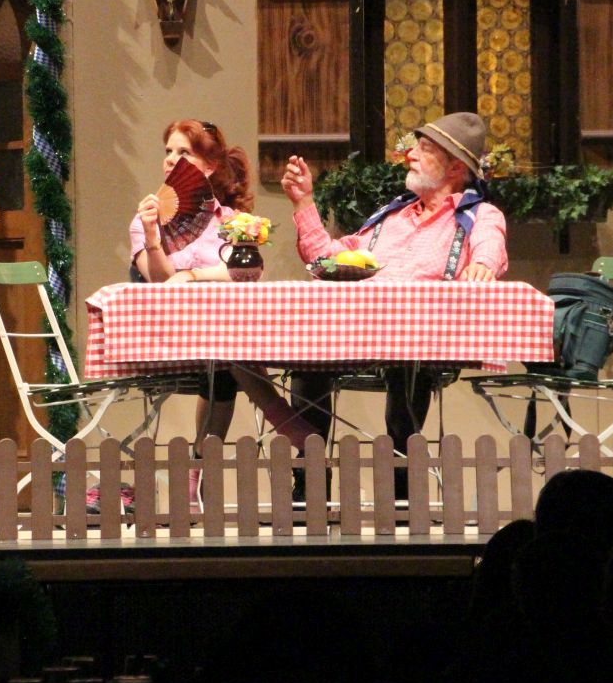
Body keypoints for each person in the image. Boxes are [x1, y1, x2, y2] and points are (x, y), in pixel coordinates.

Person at [280, 111, 508, 499]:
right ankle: (310, 487)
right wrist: (304, 202)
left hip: (422, 340)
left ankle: (402, 497)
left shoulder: (477, 215)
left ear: (456, 167)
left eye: (425, 149)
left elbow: (491, 246)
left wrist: (482, 265)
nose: (411, 155)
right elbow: (329, 260)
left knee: (408, 361)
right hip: (355, 333)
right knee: (308, 357)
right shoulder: (392, 216)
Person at [128, 119, 317, 504]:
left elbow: (244, 271)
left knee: (224, 352)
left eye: (183, 152)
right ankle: (280, 415)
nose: (170, 160)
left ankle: (198, 472)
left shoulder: (230, 221)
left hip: (221, 342)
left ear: (209, 166)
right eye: (168, 151)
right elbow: (160, 281)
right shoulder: (147, 218)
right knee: (227, 349)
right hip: (168, 336)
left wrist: (192, 275)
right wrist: (151, 238)